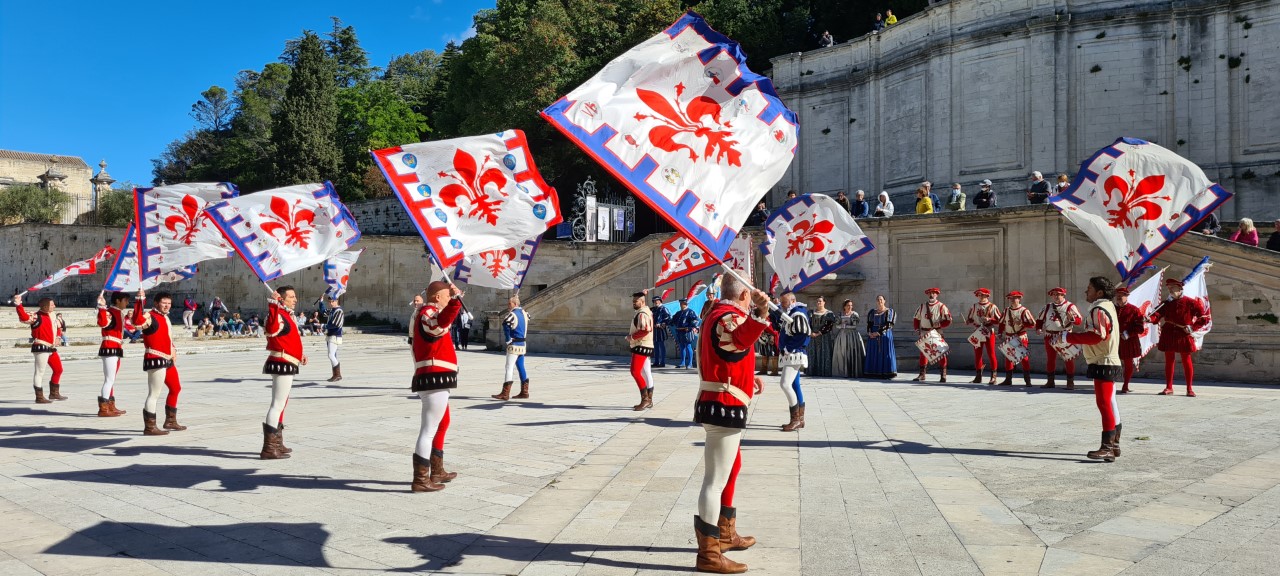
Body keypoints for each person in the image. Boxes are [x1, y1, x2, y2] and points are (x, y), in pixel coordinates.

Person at [692, 270, 769, 574]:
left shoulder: (718, 313)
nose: (751, 305)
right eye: (750, 300)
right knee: (714, 480)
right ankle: (709, 554)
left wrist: (750, 379)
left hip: (726, 399)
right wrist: (761, 315)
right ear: (744, 295)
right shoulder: (726, 315)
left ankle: (724, 533)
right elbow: (736, 341)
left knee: (731, 468)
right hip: (722, 405)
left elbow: (726, 357)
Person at [409, 281, 464, 492]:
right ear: (438, 297)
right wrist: (455, 304)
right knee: (429, 428)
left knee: (443, 422)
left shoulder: (428, 311)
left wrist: (453, 303)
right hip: (434, 376)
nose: (449, 299)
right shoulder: (427, 312)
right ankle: (420, 479)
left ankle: (437, 470)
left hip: (437, 375)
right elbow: (436, 326)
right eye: (447, 296)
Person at [1064, 276, 1124, 462]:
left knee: (1104, 402)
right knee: (1111, 402)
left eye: (1089, 288)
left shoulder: (1098, 309)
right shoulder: (1108, 307)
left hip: (1103, 360)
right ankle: (1114, 445)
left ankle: (1107, 447)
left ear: (1099, 292)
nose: (1085, 291)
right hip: (1108, 358)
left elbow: (1096, 336)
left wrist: (1069, 337)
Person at [260, 286, 307, 460]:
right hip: (281, 362)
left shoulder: (287, 315)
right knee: (277, 404)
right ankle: (269, 448)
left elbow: (288, 339)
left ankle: (277, 443)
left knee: (282, 404)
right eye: (292, 297)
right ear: (282, 299)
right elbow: (272, 330)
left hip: (288, 360)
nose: (295, 300)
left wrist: (299, 354)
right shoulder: (277, 314)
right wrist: (272, 305)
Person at [133, 290, 186, 435]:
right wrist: (139, 300)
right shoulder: (150, 316)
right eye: (164, 303)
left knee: (176, 388)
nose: (167, 305)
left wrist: (173, 349)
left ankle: (170, 421)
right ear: (156, 303)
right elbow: (137, 322)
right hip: (155, 358)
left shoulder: (165, 318)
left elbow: (167, 337)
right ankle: (150, 427)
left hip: (167, 359)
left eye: (169, 303)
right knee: (154, 394)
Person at [1148, 277, 1210, 397]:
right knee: (1169, 360)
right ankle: (1169, 387)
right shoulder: (1166, 303)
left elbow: (1203, 318)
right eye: (1169, 288)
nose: (1170, 290)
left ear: (1180, 289)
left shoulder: (1191, 302)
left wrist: (1192, 327)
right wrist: (1149, 318)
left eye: (1173, 288)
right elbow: (1156, 315)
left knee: (1186, 360)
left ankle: (1189, 388)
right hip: (1169, 332)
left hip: (1183, 333)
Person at [14, 294, 65, 403]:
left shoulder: (53, 316)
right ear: (46, 305)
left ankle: (54, 393)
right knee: (40, 372)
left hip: (51, 348)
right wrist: (19, 305)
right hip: (41, 346)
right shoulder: (37, 316)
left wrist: (58, 337)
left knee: (58, 369)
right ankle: (39, 396)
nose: (54, 306)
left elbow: (59, 327)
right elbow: (24, 317)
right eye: (52, 305)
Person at [776, 291, 811, 432]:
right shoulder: (792, 312)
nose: (783, 305)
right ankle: (799, 419)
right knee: (795, 385)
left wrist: (788, 348)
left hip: (794, 353)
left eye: (784, 302)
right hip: (791, 353)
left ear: (792, 301)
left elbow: (803, 335)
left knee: (785, 384)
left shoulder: (798, 314)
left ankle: (796, 419)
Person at [1037, 287, 1083, 389]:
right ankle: (1050, 381)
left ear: (1063, 295)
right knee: (1050, 359)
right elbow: (1039, 319)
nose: (1056, 296)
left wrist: (1072, 319)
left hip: (1064, 336)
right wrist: (1039, 328)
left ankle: (1070, 382)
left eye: (1058, 294)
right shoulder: (1047, 307)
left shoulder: (1070, 306)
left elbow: (1079, 321)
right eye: (1054, 294)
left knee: (1068, 358)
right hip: (1049, 336)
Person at [94, 291, 131, 417]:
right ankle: (103, 408)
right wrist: (102, 308)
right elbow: (103, 323)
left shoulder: (119, 313)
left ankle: (110, 404)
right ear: (117, 301)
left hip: (116, 346)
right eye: (125, 300)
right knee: (109, 379)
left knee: (111, 379)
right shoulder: (110, 312)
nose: (127, 303)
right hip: (110, 345)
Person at [492, 296, 531, 400]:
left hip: (514, 345)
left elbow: (505, 324)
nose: (508, 306)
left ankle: (505, 393)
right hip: (523, 344)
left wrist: (508, 340)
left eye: (510, 304)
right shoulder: (525, 313)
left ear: (515, 304)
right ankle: (524, 392)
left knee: (509, 367)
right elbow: (528, 318)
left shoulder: (512, 315)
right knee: (521, 366)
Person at [912, 288, 952, 382]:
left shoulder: (941, 306)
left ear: (937, 294)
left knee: (942, 353)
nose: (931, 295)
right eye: (930, 293)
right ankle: (922, 374)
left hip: (936, 333)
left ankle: (943, 375)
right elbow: (916, 318)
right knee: (923, 354)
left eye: (933, 293)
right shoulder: (922, 306)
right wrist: (917, 329)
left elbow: (948, 320)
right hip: (925, 332)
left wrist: (940, 324)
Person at [964, 288, 1002, 385]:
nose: (980, 297)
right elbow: (971, 318)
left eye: (982, 295)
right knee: (977, 354)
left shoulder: (993, 307)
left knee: (991, 353)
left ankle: (993, 377)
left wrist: (990, 319)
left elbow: (1000, 321)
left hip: (988, 331)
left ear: (986, 296)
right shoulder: (974, 306)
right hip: (977, 331)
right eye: (979, 295)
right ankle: (978, 376)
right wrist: (969, 321)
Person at [1113, 286, 1147, 394]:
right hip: (1114, 340)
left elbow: (1140, 328)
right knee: (1112, 362)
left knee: (1128, 363)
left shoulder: (1134, 310)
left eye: (1121, 295)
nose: (1119, 297)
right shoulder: (1112, 308)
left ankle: (1125, 385)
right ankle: (1111, 384)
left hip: (1128, 340)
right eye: (1117, 295)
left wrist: (1128, 333)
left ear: (1126, 296)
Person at [998, 291, 1036, 386]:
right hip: (1009, 336)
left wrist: (1023, 323)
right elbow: (1002, 323)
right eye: (1010, 298)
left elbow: (1032, 324)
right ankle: (1008, 379)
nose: (1012, 300)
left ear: (1019, 299)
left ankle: (1027, 381)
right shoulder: (1006, 310)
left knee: (1024, 358)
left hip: (1020, 337)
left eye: (1014, 298)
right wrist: (999, 333)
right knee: (1008, 357)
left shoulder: (1024, 310)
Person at [627, 292, 656, 411]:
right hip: (645, 344)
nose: (634, 303)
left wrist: (631, 337)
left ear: (642, 302)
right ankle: (649, 399)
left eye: (636, 301)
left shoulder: (642, 313)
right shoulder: (645, 312)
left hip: (641, 345)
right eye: (633, 301)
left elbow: (645, 330)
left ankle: (645, 399)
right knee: (646, 372)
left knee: (635, 371)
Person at [831, 299, 865, 378]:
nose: (850, 307)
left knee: (852, 352)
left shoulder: (854, 314)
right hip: (842, 335)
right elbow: (837, 325)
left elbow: (854, 326)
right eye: (848, 305)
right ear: (844, 307)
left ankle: (852, 371)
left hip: (852, 335)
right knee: (842, 353)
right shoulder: (840, 314)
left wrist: (844, 326)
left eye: (851, 305)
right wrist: (842, 326)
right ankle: (842, 372)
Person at [864, 295, 897, 378]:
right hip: (873, 335)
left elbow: (889, 325)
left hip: (885, 335)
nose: (880, 301)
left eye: (881, 300)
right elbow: (869, 324)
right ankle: (873, 372)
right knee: (874, 352)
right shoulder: (872, 312)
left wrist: (878, 333)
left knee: (885, 353)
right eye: (878, 300)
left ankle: (886, 372)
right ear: (876, 301)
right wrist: (870, 333)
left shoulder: (889, 311)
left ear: (884, 301)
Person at [806, 296, 837, 377]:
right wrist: (811, 332)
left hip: (824, 336)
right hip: (812, 336)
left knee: (824, 353)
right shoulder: (811, 312)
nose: (819, 303)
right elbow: (807, 323)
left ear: (824, 302)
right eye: (817, 301)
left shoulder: (829, 313)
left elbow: (829, 326)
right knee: (813, 353)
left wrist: (819, 333)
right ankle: (812, 371)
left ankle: (823, 371)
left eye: (820, 301)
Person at [672, 298, 701, 369]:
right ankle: (682, 363)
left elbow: (695, 321)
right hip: (679, 331)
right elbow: (673, 320)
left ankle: (690, 363)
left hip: (687, 331)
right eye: (681, 304)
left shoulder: (690, 312)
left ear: (686, 304)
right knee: (682, 347)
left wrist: (690, 327)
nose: (682, 305)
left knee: (688, 346)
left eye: (683, 303)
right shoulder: (678, 313)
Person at [325, 295, 345, 382]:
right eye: (329, 302)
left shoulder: (339, 311)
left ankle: (338, 374)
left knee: (331, 355)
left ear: (336, 301)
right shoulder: (333, 310)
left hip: (335, 335)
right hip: (331, 335)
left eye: (332, 301)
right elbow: (324, 312)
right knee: (333, 355)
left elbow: (336, 324)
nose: (331, 303)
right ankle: (335, 374)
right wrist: (321, 302)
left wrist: (325, 326)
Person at [652, 295, 672, 367]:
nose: (656, 302)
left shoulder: (664, 309)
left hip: (661, 329)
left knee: (661, 346)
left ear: (660, 301)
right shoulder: (653, 309)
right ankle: (656, 361)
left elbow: (668, 318)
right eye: (654, 301)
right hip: (654, 330)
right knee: (655, 346)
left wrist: (662, 323)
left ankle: (662, 362)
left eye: (657, 300)